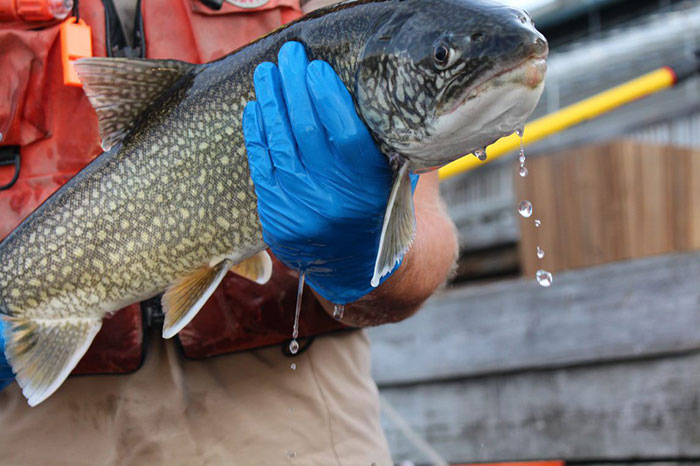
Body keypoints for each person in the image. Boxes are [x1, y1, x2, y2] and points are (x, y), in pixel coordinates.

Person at [0, 0, 457, 464]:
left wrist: (364, 264)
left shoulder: (395, 29)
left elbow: (430, 233)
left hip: (292, 414)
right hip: (35, 427)